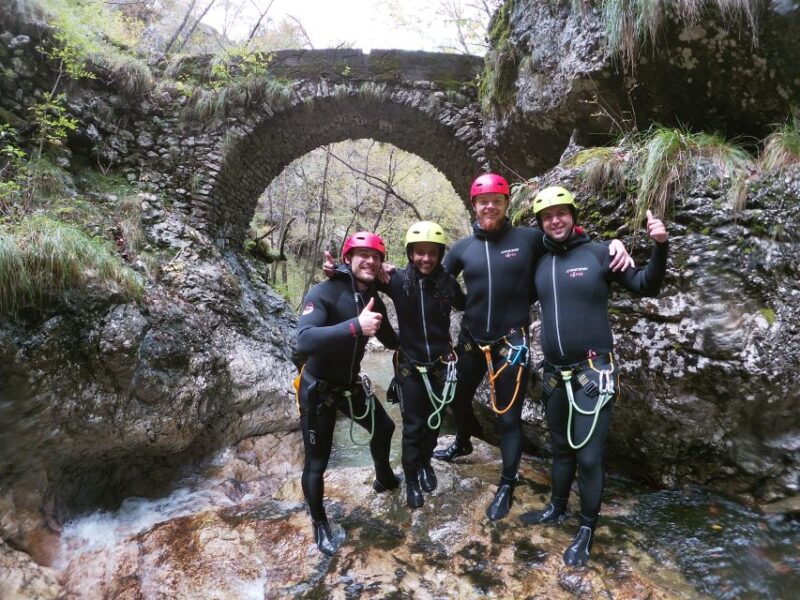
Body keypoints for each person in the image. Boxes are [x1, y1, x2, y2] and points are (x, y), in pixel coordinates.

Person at [433, 173, 633, 523]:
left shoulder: (529, 239)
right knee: (455, 398)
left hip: (511, 341)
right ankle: (463, 440)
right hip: (470, 339)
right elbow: (431, 277)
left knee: (508, 418)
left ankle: (507, 484)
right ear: (474, 206)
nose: (490, 206)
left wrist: (613, 244)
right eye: (483, 201)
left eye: (496, 200)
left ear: (506, 203)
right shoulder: (462, 249)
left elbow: (570, 243)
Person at [518, 186, 668, 567]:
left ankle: (586, 528)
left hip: (592, 373)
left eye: (561, 213)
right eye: (547, 216)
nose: (555, 220)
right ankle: (556, 508)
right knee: (560, 448)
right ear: (540, 224)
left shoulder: (600, 253)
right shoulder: (539, 263)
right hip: (553, 373)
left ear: (572, 215)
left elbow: (645, 285)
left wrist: (659, 246)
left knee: (588, 455)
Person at [295, 231, 401, 556]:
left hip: (350, 387)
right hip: (318, 391)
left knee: (385, 427)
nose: (369, 260)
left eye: (376, 256)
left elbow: (393, 341)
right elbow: (304, 340)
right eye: (362, 254)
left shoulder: (373, 298)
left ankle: (383, 477)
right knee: (317, 463)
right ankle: (319, 523)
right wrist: (355, 326)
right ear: (348, 258)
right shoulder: (324, 292)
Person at [381, 222, 465, 508]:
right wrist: (337, 270)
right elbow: (361, 276)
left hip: (441, 365)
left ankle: (426, 463)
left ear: (440, 254)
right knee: (414, 426)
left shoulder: (447, 284)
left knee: (435, 422)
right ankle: (412, 479)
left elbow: (468, 303)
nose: (425, 258)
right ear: (410, 253)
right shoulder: (397, 281)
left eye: (432, 253)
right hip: (411, 367)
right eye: (419, 253)